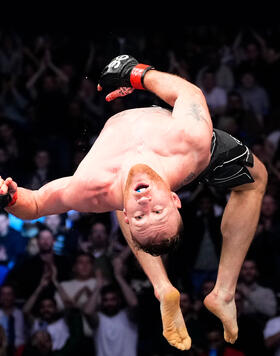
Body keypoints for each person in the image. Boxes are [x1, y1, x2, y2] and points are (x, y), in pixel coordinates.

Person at [0, 54, 268, 351]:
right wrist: (137, 74)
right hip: (176, 147)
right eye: (158, 210)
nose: (145, 203)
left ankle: (165, 287)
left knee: (112, 199)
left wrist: (9, 198)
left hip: (114, 178)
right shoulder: (192, 142)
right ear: (174, 198)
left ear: (128, 217)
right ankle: (223, 292)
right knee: (256, 179)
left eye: (141, 216)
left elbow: (35, 205)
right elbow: (188, 93)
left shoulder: (92, 187)